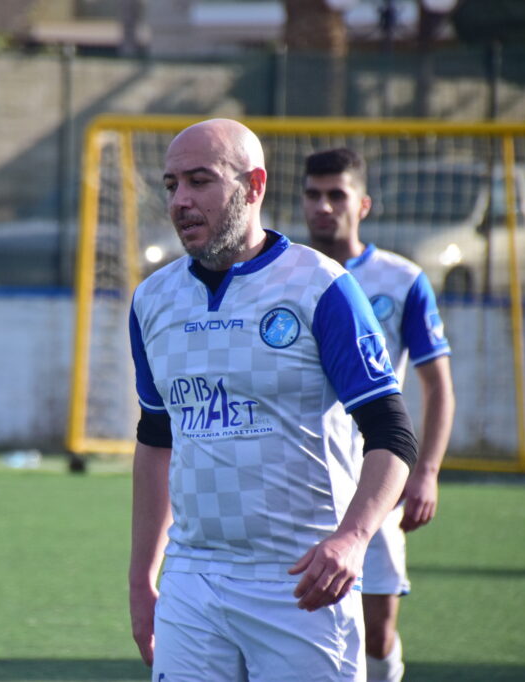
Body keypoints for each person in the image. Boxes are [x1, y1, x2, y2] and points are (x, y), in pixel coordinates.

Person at [128, 119, 419, 681]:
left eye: (199, 181)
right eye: (171, 185)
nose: (181, 200)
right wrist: (142, 578)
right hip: (193, 577)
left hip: (301, 580)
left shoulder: (321, 286)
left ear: (254, 185)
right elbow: (156, 440)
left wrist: (352, 540)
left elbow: (393, 434)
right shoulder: (152, 300)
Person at [302, 148, 455, 682]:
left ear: (362, 204)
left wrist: (426, 472)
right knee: (298, 622)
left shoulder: (402, 279)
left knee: (377, 631)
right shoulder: (284, 274)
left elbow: (437, 386)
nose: (324, 206)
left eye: (336, 195)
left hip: (376, 474)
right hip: (304, 476)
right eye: (313, 195)